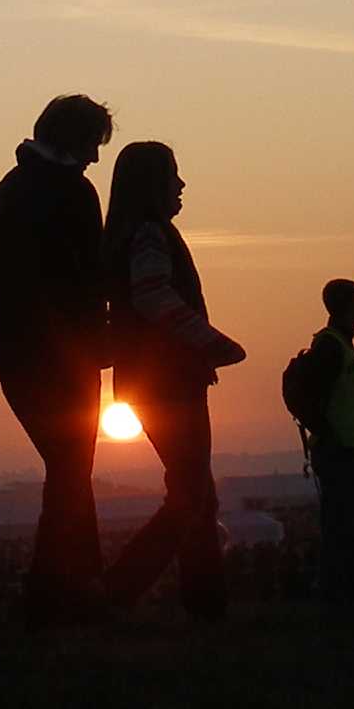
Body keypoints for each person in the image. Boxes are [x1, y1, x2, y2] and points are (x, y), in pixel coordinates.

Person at [0, 94, 113, 629]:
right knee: (70, 474)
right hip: (64, 358)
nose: (95, 160)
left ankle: (75, 589)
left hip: (16, 359)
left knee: (69, 472)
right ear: (73, 141)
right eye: (92, 147)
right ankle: (54, 594)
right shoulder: (71, 194)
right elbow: (88, 279)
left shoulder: (8, 193)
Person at [98, 142, 244, 622]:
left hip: (153, 381)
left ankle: (206, 603)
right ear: (153, 185)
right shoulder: (149, 235)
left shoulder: (134, 234)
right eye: (174, 177)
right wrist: (211, 341)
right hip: (167, 382)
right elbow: (153, 296)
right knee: (191, 494)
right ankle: (118, 591)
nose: (181, 186)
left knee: (196, 491)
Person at [294, 279, 354, 606]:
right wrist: (330, 435)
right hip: (339, 451)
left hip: (346, 450)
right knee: (341, 529)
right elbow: (315, 397)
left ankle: (341, 596)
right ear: (345, 304)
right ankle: (338, 598)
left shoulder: (340, 343)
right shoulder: (331, 346)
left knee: (344, 527)